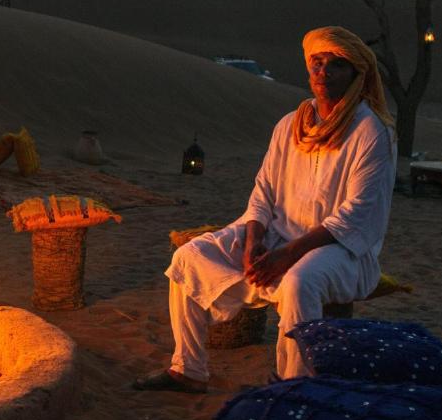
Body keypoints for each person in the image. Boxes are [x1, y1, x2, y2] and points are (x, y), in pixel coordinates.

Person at [134, 26, 397, 393]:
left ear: (355, 75)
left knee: (298, 282)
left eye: (335, 65)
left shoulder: (371, 131)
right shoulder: (290, 125)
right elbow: (263, 192)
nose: (323, 72)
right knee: (189, 256)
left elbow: (354, 215)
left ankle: (293, 387)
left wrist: (287, 254)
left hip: (342, 250)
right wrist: (252, 242)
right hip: (277, 236)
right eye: (317, 63)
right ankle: (188, 369)